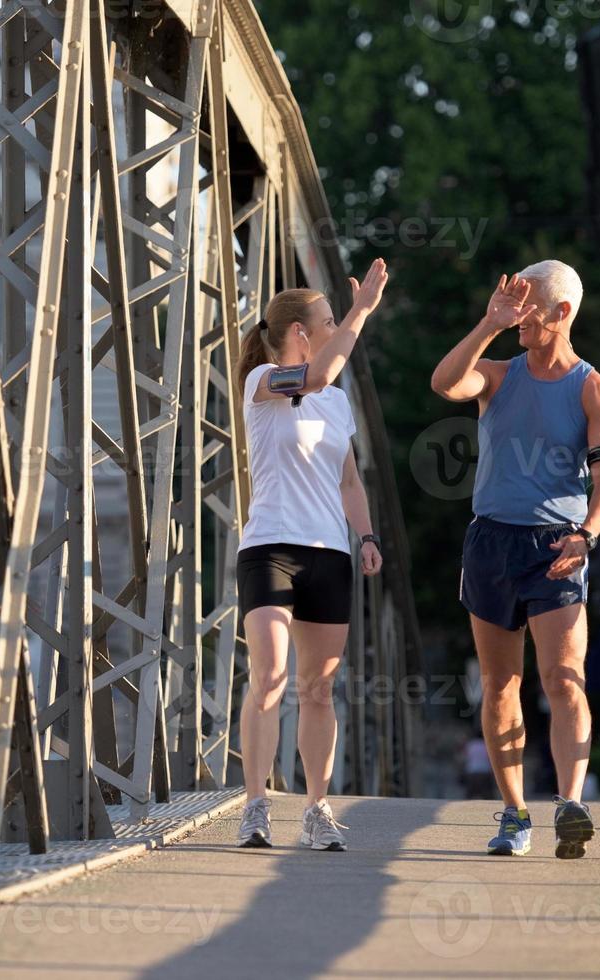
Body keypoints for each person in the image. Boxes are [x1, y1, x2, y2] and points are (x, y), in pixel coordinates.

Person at [430, 260, 600, 859]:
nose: (517, 313)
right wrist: (488, 324)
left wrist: (586, 535)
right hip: (490, 542)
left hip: (556, 545)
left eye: (526, 304)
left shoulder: (593, 388)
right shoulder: (495, 374)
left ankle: (570, 802)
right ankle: (515, 814)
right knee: (500, 684)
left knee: (564, 679)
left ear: (562, 313)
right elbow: (444, 383)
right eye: (508, 300)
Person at [233, 259, 389, 851]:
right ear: (302, 332)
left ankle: (317, 807)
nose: (336, 324)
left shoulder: (338, 404)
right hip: (270, 548)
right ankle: (255, 806)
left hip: (329, 552)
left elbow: (348, 481)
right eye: (329, 319)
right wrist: (362, 311)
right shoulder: (263, 383)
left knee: (318, 689)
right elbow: (315, 378)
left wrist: (368, 536)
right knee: (270, 675)